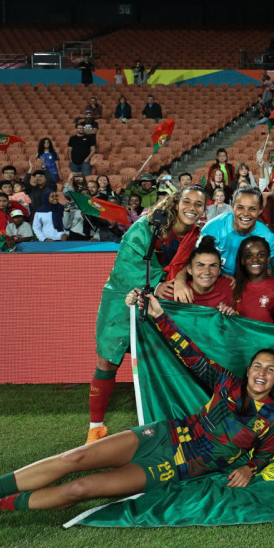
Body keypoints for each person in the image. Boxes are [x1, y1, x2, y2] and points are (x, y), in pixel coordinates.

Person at [0, 289, 274, 518]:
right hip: (164, 434)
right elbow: (189, 354)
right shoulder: (226, 381)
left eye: (270, 370)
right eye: (258, 365)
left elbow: (266, 454)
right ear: (249, 369)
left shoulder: (272, 418)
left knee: (81, 488)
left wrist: (250, 468)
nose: (261, 373)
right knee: (77, 457)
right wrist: (160, 316)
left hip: (175, 467)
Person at [85, 186, 207, 443]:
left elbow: (189, 263)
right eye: (187, 201)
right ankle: (96, 427)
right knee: (107, 360)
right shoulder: (148, 225)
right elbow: (126, 265)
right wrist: (158, 283)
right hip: (122, 296)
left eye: (198, 204)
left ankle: (170, 421)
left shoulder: (195, 234)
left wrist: (180, 278)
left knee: (161, 360)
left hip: (160, 300)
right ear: (176, 202)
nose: (192, 208)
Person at [185, 186, 274, 284]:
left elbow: (268, 271)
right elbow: (195, 263)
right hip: (213, 281)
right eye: (240, 207)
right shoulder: (213, 228)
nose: (246, 213)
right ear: (232, 206)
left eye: (252, 209)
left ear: (260, 210)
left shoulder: (268, 238)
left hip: (248, 282)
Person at [230, 236, 274, 325]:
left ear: (268, 259)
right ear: (242, 260)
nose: (255, 259)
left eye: (261, 255)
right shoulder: (233, 285)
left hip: (269, 339)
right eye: (249, 256)